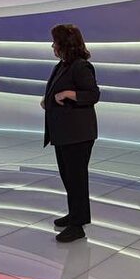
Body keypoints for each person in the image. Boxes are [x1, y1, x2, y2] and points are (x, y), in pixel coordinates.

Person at [42, 24, 101, 243]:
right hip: (64, 133)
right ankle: (75, 214)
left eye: (55, 42)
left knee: (76, 179)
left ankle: (77, 225)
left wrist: (68, 93)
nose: (52, 46)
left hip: (77, 134)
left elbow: (93, 94)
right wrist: (48, 99)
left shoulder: (81, 66)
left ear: (64, 44)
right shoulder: (63, 65)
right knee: (68, 176)